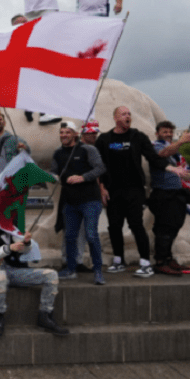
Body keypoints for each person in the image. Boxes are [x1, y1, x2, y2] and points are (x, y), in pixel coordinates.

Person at [96, 106, 190, 277]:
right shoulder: (104, 139)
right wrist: (101, 188)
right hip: (113, 191)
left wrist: (172, 169)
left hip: (134, 190)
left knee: (136, 225)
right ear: (115, 118)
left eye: (129, 114)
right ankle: (118, 261)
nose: (128, 116)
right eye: (124, 114)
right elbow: (99, 166)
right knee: (114, 227)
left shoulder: (137, 136)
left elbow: (154, 158)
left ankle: (145, 264)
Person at [0, 199, 66, 338]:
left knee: (51, 274)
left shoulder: (10, 227)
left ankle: (45, 315)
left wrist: (27, 242)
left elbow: (25, 250)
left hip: (14, 270)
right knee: (0, 277)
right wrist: (9, 248)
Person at [149, 122, 190, 275]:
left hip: (175, 193)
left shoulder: (175, 152)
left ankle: (168, 258)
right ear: (157, 134)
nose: (168, 134)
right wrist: (181, 141)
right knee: (164, 228)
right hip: (163, 193)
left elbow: (181, 173)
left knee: (174, 226)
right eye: (165, 132)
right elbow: (162, 154)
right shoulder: (155, 146)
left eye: (170, 132)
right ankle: (160, 262)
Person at [51, 121, 107, 284]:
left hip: (90, 200)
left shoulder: (88, 149)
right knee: (70, 236)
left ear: (75, 134)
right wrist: (52, 177)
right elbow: (54, 172)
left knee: (91, 235)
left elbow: (100, 168)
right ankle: (70, 269)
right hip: (70, 201)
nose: (64, 135)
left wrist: (83, 177)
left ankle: (98, 271)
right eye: (61, 132)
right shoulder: (57, 153)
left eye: (67, 132)